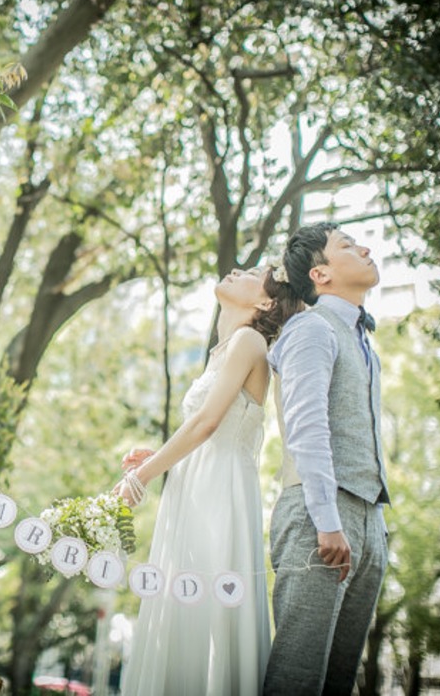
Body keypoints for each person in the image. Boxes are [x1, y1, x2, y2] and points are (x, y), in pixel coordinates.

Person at [117, 265, 302, 696]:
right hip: (193, 485)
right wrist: (164, 458)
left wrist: (144, 475)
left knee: (208, 603)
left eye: (253, 273)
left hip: (220, 493)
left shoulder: (250, 340)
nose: (236, 269)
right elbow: (204, 431)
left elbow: (206, 422)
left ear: (265, 303)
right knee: (182, 606)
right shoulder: (221, 351)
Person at [264, 222, 391, 695]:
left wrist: (374, 526)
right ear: (320, 274)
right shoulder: (311, 328)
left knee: (339, 684)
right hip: (321, 519)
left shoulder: (363, 342)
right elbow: (307, 428)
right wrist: (327, 520)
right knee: (297, 680)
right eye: (346, 245)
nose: (364, 248)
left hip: (367, 522)